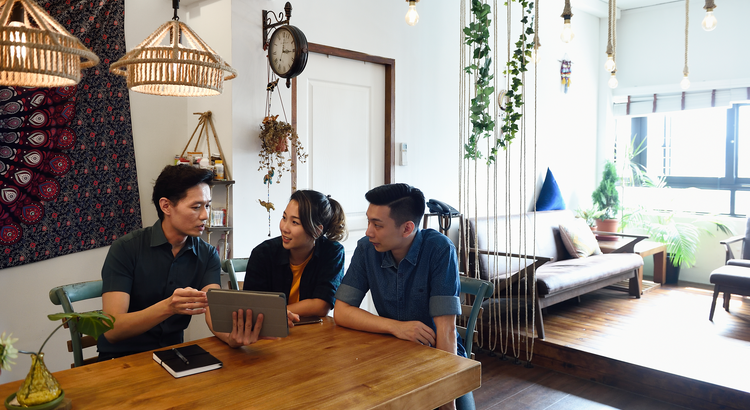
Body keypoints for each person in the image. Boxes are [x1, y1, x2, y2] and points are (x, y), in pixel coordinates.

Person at [98, 165, 274, 360]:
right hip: (121, 360)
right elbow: (112, 330)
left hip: (174, 356)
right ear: (166, 206)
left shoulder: (207, 255)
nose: (205, 215)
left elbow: (213, 311)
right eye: (196, 206)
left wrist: (231, 338)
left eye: (207, 205)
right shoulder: (126, 249)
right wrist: (168, 307)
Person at [333, 183, 474, 410]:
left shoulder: (439, 250)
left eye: (377, 225)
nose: (369, 232)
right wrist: (397, 327)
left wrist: (446, 399)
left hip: (439, 355)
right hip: (389, 354)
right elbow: (341, 311)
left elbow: (446, 330)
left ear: (407, 228)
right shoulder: (367, 249)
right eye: (369, 221)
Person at [243, 190, 347, 318]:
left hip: (312, 330)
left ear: (317, 231)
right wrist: (278, 314)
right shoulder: (263, 253)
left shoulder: (332, 252)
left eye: (295, 222)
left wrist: (276, 312)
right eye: (284, 218)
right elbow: (253, 307)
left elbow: (321, 305)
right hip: (271, 330)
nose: (284, 228)